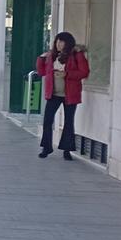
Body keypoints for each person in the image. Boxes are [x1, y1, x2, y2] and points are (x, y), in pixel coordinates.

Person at [36, 31, 89, 161]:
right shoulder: (51, 56)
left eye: (61, 41)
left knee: (68, 122)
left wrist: (67, 74)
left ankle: (67, 150)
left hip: (70, 94)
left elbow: (84, 72)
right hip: (53, 94)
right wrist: (41, 58)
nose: (58, 44)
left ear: (68, 43)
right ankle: (46, 147)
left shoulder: (77, 55)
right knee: (47, 120)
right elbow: (41, 71)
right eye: (57, 41)